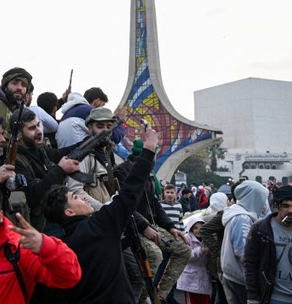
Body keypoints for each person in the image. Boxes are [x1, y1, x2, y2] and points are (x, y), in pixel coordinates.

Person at [43, 122, 158, 303]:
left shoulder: (61, 250)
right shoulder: (100, 224)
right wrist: (149, 150)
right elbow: (129, 192)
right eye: (75, 197)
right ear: (69, 212)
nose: (83, 198)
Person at [115, 142, 191, 303]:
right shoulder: (123, 172)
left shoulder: (149, 174)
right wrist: (144, 227)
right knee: (155, 255)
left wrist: (171, 228)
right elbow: (121, 204)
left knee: (184, 249)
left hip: (150, 226)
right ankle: (143, 299)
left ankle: (161, 294)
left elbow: (155, 204)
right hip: (130, 227)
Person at [10, 108, 81, 232]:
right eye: (32, 128)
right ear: (19, 134)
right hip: (42, 224)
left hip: (57, 212)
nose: (39, 131)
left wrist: (84, 145)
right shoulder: (15, 160)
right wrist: (60, 170)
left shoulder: (38, 147)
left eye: (38, 125)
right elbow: (32, 195)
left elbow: (58, 153)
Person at [244, 186, 292, 304]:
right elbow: (250, 264)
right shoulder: (261, 229)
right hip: (271, 297)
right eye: (286, 206)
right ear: (277, 207)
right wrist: (252, 297)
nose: (290, 211)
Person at [220, 180, 269, 304]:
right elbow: (243, 250)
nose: (263, 202)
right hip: (239, 278)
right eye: (261, 198)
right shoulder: (242, 218)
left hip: (233, 274)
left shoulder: (238, 214)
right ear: (253, 198)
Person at [65, 107, 117, 211]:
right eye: (100, 126)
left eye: (109, 126)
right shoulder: (84, 154)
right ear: (90, 128)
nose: (105, 130)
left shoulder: (107, 153)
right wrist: (103, 210)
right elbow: (74, 189)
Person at [176, 217, 211, 304]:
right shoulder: (187, 238)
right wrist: (200, 251)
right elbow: (185, 255)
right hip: (190, 279)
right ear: (191, 228)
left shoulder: (206, 239)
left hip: (203, 278)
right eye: (195, 228)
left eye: (201, 228)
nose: (198, 230)